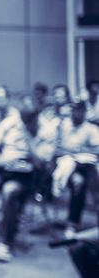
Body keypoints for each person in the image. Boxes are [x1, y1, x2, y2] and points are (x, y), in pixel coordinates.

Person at [0, 104, 56, 262]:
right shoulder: (9, 123)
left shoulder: (47, 130)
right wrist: (0, 160)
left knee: (9, 191)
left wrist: (28, 138)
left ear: (36, 118)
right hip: (4, 169)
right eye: (22, 120)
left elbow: (42, 164)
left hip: (29, 176)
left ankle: (4, 242)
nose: (23, 124)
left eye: (28, 121)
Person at [50, 102, 99, 238]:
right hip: (69, 166)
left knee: (94, 175)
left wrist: (80, 150)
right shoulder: (63, 126)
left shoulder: (91, 129)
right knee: (78, 182)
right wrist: (70, 153)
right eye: (74, 110)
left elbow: (97, 149)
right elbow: (56, 149)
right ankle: (72, 223)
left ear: (84, 112)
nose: (76, 114)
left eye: (80, 111)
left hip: (87, 165)